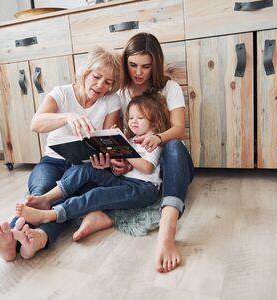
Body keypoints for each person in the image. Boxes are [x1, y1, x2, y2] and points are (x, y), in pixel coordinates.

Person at [72, 32, 195, 273]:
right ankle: (95, 213)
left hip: (172, 164)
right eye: (133, 65)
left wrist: (157, 137)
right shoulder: (120, 94)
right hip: (139, 168)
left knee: (174, 145)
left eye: (146, 66)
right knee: (87, 174)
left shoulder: (169, 88)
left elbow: (179, 130)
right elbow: (119, 137)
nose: (139, 72)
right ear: (125, 63)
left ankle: (167, 231)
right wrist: (122, 161)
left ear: (155, 65)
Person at [0, 47, 123, 261]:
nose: (101, 86)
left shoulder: (111, 101)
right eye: (97, 77)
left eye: (108, 82)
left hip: (84, 168)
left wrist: (105, 160)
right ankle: (15, 239)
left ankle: (28, 239)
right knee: (40, 194)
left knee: (65, 202)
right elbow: (35, 123)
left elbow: (107, 141)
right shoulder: (61, 93)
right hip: (53, 162)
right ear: (85, 72)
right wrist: (67, 117)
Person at [14, 93, 170, 226]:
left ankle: (51, 215)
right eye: (130, 117)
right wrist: (115, 157)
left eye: (140, 117)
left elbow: (148, 167)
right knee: (84, 169)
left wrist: (124, 152)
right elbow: (128, 166)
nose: (133, 121)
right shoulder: (132, 140)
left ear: (154, 123)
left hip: (142, 189)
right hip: (124, 181)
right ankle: (46, 198)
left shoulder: (152, 141)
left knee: (97, 194)